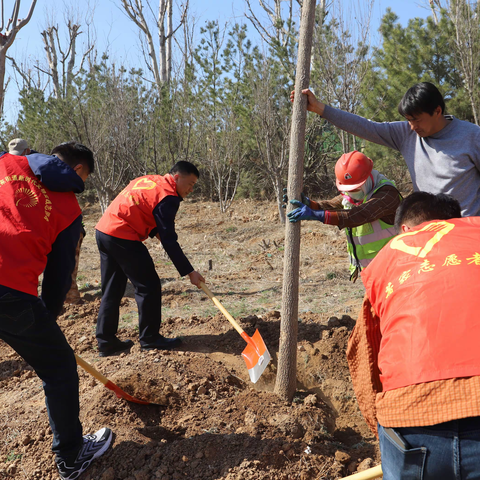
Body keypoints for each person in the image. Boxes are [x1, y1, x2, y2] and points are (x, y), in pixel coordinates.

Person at [347, 191, 480, 479]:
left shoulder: (387, 257)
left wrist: (383, 428)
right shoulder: (475, 233)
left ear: (405, 229)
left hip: (409, 420)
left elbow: (363, 356)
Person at [0, 142, 112, 480]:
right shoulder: (70, 209)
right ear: (79, 171)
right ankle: (71, 456)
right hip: (11, 292)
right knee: (60, 368)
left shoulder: (7, 162)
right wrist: (47, 313)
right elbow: (60, 274)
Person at [292, 82, 480, 216]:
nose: (412, 126)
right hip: (428, 232)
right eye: (408, 120)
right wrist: (320, 109)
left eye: (416, 119)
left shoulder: (472, 136)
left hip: (466, 233)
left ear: (437, 111)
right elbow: (366, 127)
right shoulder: (407, 134)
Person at [95, 160, 205, 357]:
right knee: (149, 286)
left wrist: (160, 233)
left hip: (104, 231)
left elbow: (148, 214)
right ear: (177, 177)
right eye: (190, 184)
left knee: (112, 289)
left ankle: (106, 342)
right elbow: (169, 240)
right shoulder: (168, 196)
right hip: (122, 235)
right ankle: (150, 338)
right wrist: (190, 272)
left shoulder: (150, 180)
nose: (191, 189)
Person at [287, 150, 401, 281]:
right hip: (371, 271)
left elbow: (358, 214)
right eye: (348, 190)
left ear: (368, 177)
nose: (351, 193)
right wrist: (310, 204)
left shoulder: (387, 195)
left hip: (393, 269)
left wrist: (317, 215)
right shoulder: (354, 195)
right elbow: (331, 205)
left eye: (355, 189)